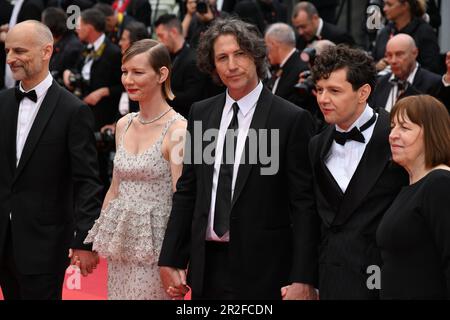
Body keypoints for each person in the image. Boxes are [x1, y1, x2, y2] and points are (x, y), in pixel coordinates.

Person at [158, 18, 318, 300]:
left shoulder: (291, 119)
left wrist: (303, 277)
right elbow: (188, 189)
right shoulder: (201, 113)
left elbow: (303, 204)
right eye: (222, 57)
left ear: (256, 55)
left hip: (266, 269)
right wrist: (171, 256)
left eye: (240, 54)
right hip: (207, 267)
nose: (232, 65)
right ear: (213, 66)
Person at [0, 20, 103, 300]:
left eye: (19, 50)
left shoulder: (74, 111)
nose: (10, 58)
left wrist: (85, 240)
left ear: (47, 51)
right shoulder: (2, 102)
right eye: (8, 50)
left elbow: (88, 181)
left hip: (45, 245)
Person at [84, 39, 187, 300]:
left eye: (138, 72)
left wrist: (176, 258)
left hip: (157, 248)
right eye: (125, 71)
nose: (128, 79)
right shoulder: (124, 124)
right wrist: (94, 239)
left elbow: (182, 196)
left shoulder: (178, 130)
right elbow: (115, 188)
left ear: (162, 74)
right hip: (123, 245)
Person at [308, 45, 409, 299]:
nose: (323, 99)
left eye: (334, 91)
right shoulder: (316, 145)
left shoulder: (397, 136)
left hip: (384, 284)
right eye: (320, 90)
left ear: (363, 92)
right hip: (330, 281)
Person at [376, 95, 450, 299]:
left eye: (404, 128)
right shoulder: (408, 187)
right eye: (392, 127)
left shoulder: (440, 183)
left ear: (431, 134)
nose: (392, 135)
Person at [371, 34, 443, 111]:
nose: (393, 61)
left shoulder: (434, 83)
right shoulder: (380, 83)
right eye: (389, 55)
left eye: (399, 54)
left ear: (415, 53)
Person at [373, 0, 441, 74]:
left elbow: (431, 68)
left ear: (405, 5)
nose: (384, 9)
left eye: (389, 5)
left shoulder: (424, 32)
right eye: (384, 4)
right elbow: (374, 60)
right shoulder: (384, 32)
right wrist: (377, 66)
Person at [264, 22, 308, 107]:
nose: (266, 52)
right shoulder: (284, 65)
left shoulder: (301, 70)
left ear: (273, 44)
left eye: (266, 46)